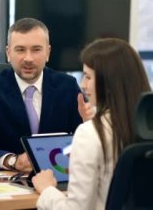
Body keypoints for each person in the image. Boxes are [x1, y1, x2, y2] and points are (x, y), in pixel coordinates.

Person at [32, 38, 151, 209]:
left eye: (88, 77)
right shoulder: (142, 128)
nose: (83, 85)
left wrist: (47, 190)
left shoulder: (90, 133)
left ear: (109, 82)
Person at [0, 17, 92, 171]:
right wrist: (13, 161)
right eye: (20, 50)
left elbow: (84, 142)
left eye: (36, 49)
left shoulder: (68, 86)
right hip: (7, 184)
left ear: (48, 53)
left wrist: (89, 124)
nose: (28, 58)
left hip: (56, 178)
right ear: (8, 53)